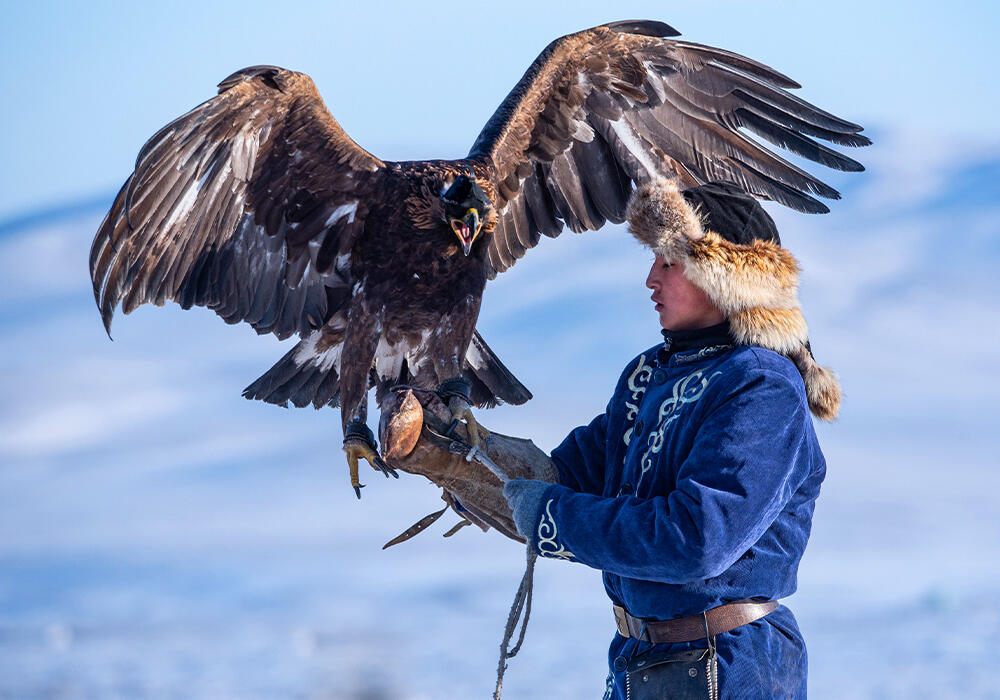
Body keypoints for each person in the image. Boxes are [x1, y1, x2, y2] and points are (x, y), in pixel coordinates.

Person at [502, 180, 841, 699]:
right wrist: (460, 454)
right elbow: (563, 477)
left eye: (668, 262)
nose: (649, 279)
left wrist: (553, 519)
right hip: (642, 657)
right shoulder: (650, 374)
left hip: (728, 663)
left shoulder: (760, 385)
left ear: (722, 274)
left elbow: (695, 540)